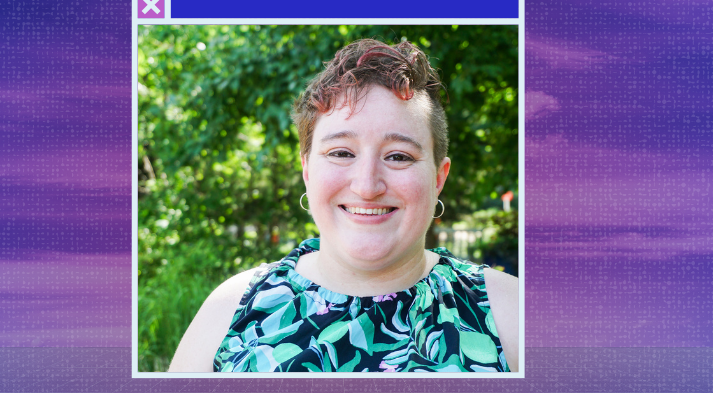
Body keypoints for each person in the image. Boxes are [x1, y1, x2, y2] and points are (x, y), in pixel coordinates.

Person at [169, 39, 519, 373]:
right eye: (341, 153)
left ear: (438, 178)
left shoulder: (512, 313)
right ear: (307, 170)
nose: (367, 186)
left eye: (398, 156)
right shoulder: (230, 308)